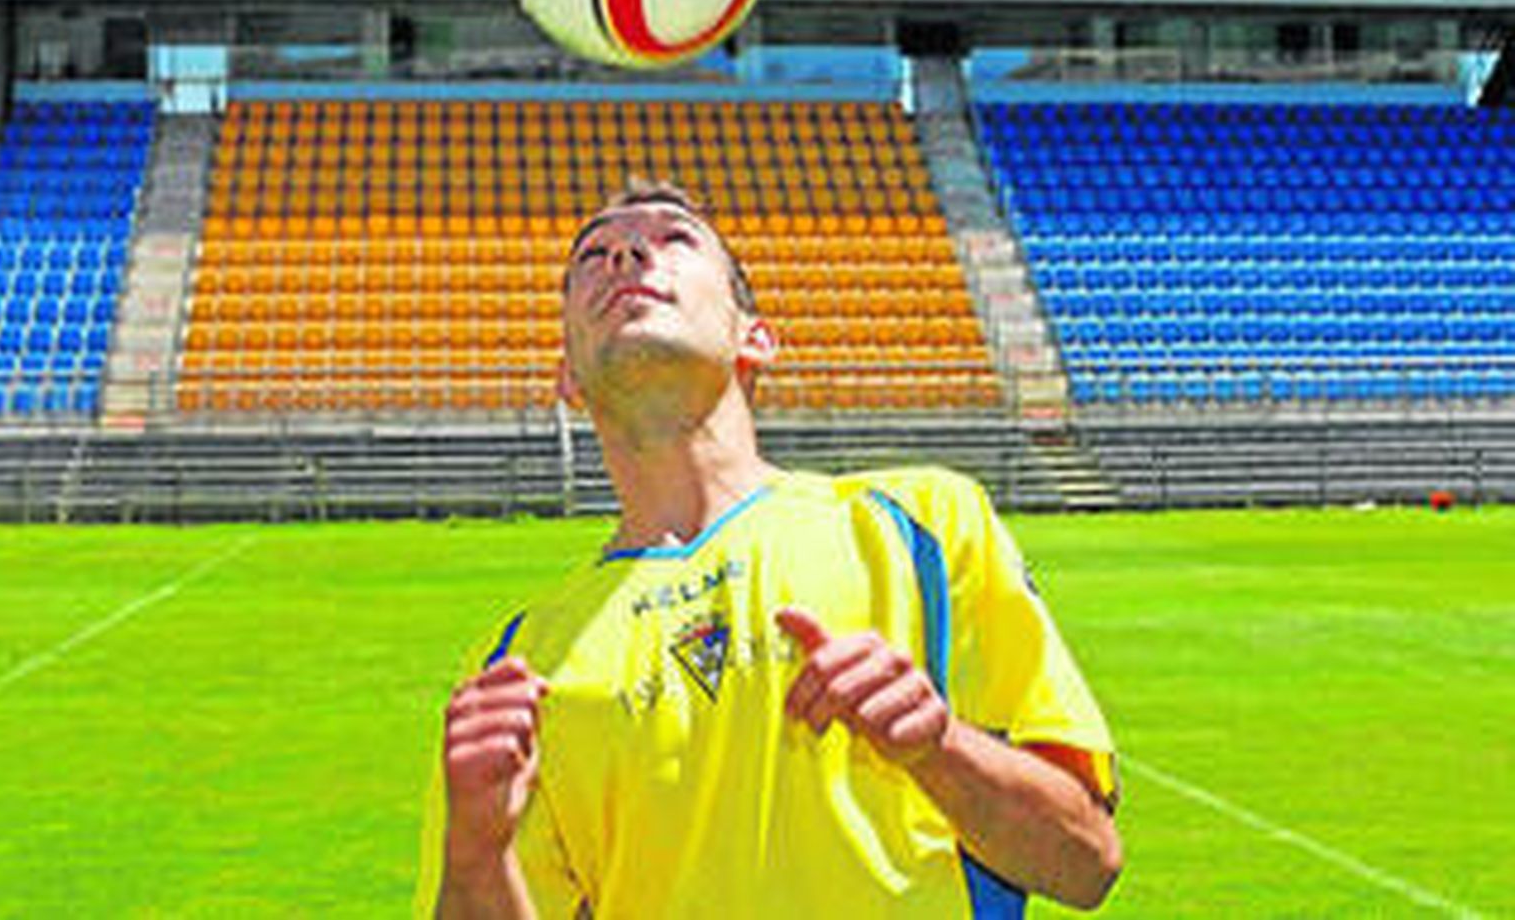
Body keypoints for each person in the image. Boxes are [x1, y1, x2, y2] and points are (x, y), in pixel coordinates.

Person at [419, 183, 1122, 918]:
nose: (625, 254)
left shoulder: (923, 521)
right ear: (567, 375)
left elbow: (1086, 862)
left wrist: (939, 747)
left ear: (754, 337)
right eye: (593, 254)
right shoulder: (517, 664)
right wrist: (475, 853)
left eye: (674, 239)